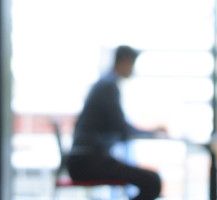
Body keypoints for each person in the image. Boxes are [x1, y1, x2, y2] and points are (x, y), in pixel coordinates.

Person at [64, 45, 163, 200]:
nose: (133, 69)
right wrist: (153, 133)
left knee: (148, 178)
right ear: (124, 62)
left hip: (84, 160)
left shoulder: (105, 84)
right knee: (152, 181)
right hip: (88, 162)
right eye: (132, 64)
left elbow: (120, 128)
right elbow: (122, 128)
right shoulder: (108, 86)